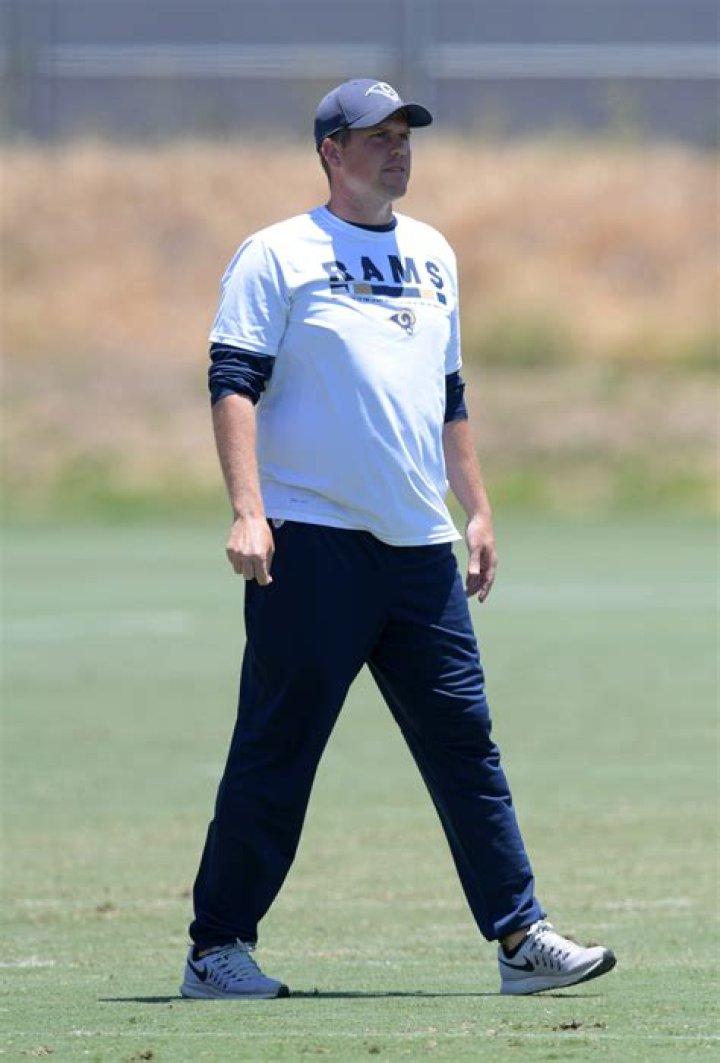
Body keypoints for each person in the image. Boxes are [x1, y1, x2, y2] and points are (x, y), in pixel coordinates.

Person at [180, 78, 616, 1000]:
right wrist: (248, 508)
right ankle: (216, 947)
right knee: (278, 748)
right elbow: (232, 382)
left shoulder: (433, 253)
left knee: (467, 744)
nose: (398, 149)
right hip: (313, 544)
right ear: (331, 152)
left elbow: (448, 394)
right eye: (376, 136)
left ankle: (519, 935)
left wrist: (477, 508)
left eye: (404, 134)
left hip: (419, 551)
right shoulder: (277, 253)